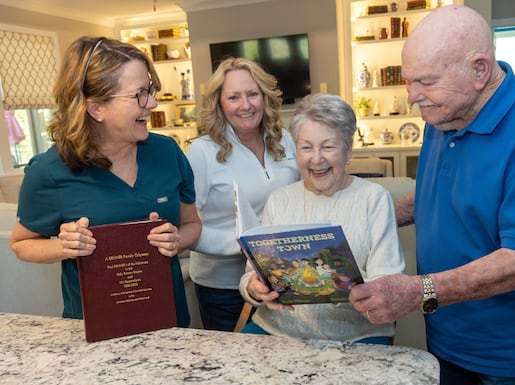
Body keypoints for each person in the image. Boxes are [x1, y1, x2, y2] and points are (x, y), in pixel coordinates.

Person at [349, 5, 515, 384]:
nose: (412, 96)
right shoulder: (443, 115)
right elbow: (430, 200)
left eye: (425, 82)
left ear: (479, 70)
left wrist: (418, 291)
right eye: (409, 82)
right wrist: (358, 217)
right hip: (447, 340)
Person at [9, 36, 202, 328]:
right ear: (96, 108)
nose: (151, 102)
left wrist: (177, 241)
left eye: (150, 90)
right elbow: (21, 243)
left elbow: (192, 225)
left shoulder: (167, 152)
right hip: (93, 329)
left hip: (168, 322)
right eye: (139, 94)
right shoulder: (49, 171)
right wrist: (64, 246)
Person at [239, 93, 406, 344]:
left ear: (348, 150)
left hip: (356, 336)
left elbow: (388, 282)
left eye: (328, 147)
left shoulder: (374, 199)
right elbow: (249, 277)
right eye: (306, 147)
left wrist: (346, 288)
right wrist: (254, 288)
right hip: (276, 330)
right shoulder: (279, 199)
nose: (316, 159)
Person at [186, 57, 300, 331]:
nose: (245, 105)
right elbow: (187, 226)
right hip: (222, 287)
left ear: (265, 97)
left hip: (281, 278)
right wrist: (242, 246)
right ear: (219, 103)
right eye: (234, 97)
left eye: (252, 94)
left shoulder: (284, 139)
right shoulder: (202, 152)